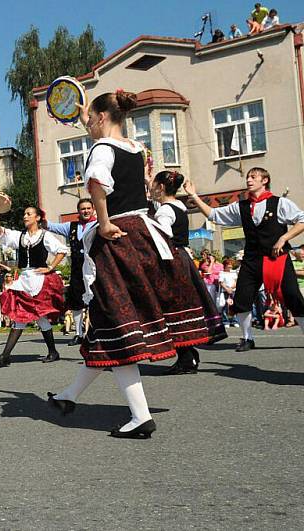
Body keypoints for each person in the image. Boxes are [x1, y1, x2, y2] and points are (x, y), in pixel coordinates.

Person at [48, 90, 224, 439]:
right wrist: (86, 113)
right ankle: (68, 396)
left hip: (117, 236)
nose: (88, 127)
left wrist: (102, 221)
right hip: (144, 233)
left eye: (90, 121)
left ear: (100, 118)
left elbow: (97, 181)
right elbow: (105, 140)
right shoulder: (135, 147)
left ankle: (140, 416)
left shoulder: (101, 149)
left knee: (117, 324)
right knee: (105, 330)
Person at [186, 167, 304, 351]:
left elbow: (302, 219)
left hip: (276, 258)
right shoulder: (241, 206)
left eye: (253, 177)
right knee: (241, 299)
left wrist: (284, 238)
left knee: (292, 296)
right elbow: (213, 214)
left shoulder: (280, 203)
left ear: (264, 181)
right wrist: (194, 196)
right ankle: (247, 338)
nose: (249, 180)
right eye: (248, 177)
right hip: (251, 259)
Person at [150, 170, 227, 374]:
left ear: (160, 187)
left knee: (172, 307)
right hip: (183, 256)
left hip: (171, 259)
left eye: (154, 184)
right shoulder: (178, 206)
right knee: (181, 306)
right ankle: (188, 355)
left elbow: (163, 235)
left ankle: (187, 357)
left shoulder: (165, 211)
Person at [0, 206, 66, 366]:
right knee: (30, 317)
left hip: (38, 280)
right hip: (24, 279)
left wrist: (51, 267)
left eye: (28, 214)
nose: (25, 216)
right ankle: (8, 355)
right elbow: (0, 232)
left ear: (38, 218)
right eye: (24, 214)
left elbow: (61, 250)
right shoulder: (20, 236)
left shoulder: (45, 236)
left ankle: (7, 355)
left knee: (31, 317)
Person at [47, 197, 97, 346]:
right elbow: (50, 226)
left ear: (93, 209)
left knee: (95, 300)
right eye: (83, 209)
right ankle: (78, 334)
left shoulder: (99, 223)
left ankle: (96, 332)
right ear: (78, 211)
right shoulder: (71, 226)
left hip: (94, 267)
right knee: (76, 301)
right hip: (76, 268)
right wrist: (40, 217)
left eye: (88, 208)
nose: (86, 211)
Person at [219, 258, 239, 327]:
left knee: (234, 306)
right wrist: (227, 289)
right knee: (225, 307)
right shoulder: (222, 273)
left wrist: (231, 288)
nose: (230, 266)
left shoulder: (233, 272)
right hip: (225, 291)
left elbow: (236, 282)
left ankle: (234, 321)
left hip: (233, 291)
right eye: (228, 264)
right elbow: (221, 282)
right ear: (225, 265)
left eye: (231, 264)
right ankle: (226, 321)